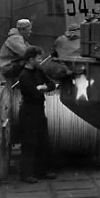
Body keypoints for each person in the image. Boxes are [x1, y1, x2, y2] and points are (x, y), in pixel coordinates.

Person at [18, 46, 57, 183]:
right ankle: (26, 174)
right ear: (31, 59)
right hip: (28, 112)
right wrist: (40, 88)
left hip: (40, 110)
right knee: (29, 142)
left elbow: (52, 84)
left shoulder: (39, 70)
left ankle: (42, 171)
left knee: (43, 141)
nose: (40, 60)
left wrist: (42, 87)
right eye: (38, 58)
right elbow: (34, 93)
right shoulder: (24, 76)